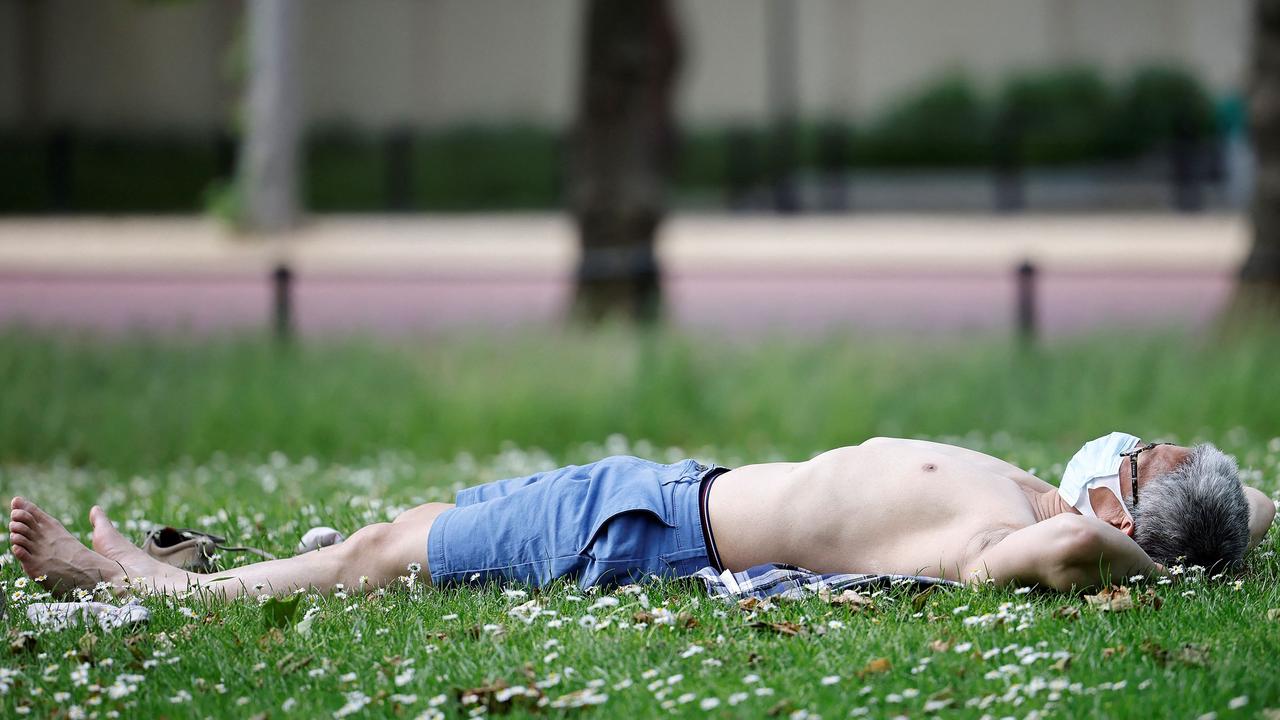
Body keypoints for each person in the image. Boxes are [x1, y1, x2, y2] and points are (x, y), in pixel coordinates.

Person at [8, 433, 1275, 599]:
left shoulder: (1024, 536)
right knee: (394, 526)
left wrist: (1158, 568)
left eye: (1149, 452)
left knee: (384, 557)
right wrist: (1229, 516)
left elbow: (1072, 550)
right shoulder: (1054, 494)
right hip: (660, 493)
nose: (1130, 432)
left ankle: (137, 588)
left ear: (1127, 506)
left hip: (644, 534)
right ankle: (163, 575)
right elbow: (1241, 506)